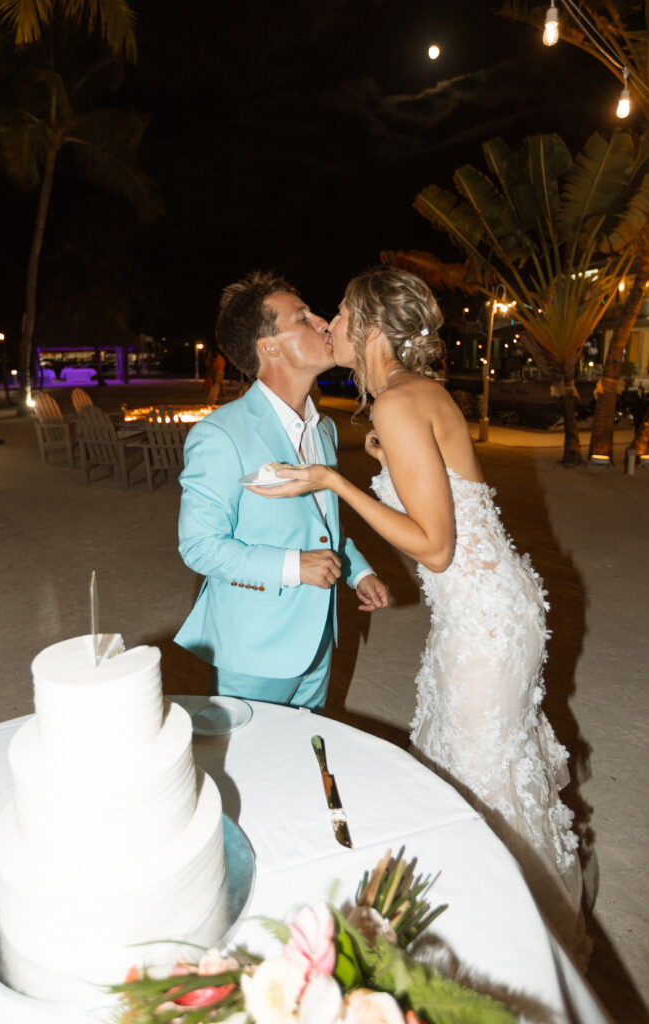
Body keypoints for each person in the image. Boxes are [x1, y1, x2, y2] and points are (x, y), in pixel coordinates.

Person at [250, 266, 586, 954]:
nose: (329, 324)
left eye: (340, 312)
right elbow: (444, 502)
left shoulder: (401, 403)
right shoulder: (408, 398)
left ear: (371, 326)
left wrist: (335, 480)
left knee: (479, 780)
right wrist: (380, 462)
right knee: (472, 768)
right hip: (485, 611)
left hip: (483, 623)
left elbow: (433, 548)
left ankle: (507, 943)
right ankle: (504, 927)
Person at [175, 270, 388, 710]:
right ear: (268, 346)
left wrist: (357, 570)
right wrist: (295, 567)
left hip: (318, 638)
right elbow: (199, 547)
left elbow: (320, 526)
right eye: (303, 318)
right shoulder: (219, 434)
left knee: (303, 753)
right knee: (253, 763)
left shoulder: (323, 428)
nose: (325, 323)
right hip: (255, 644)